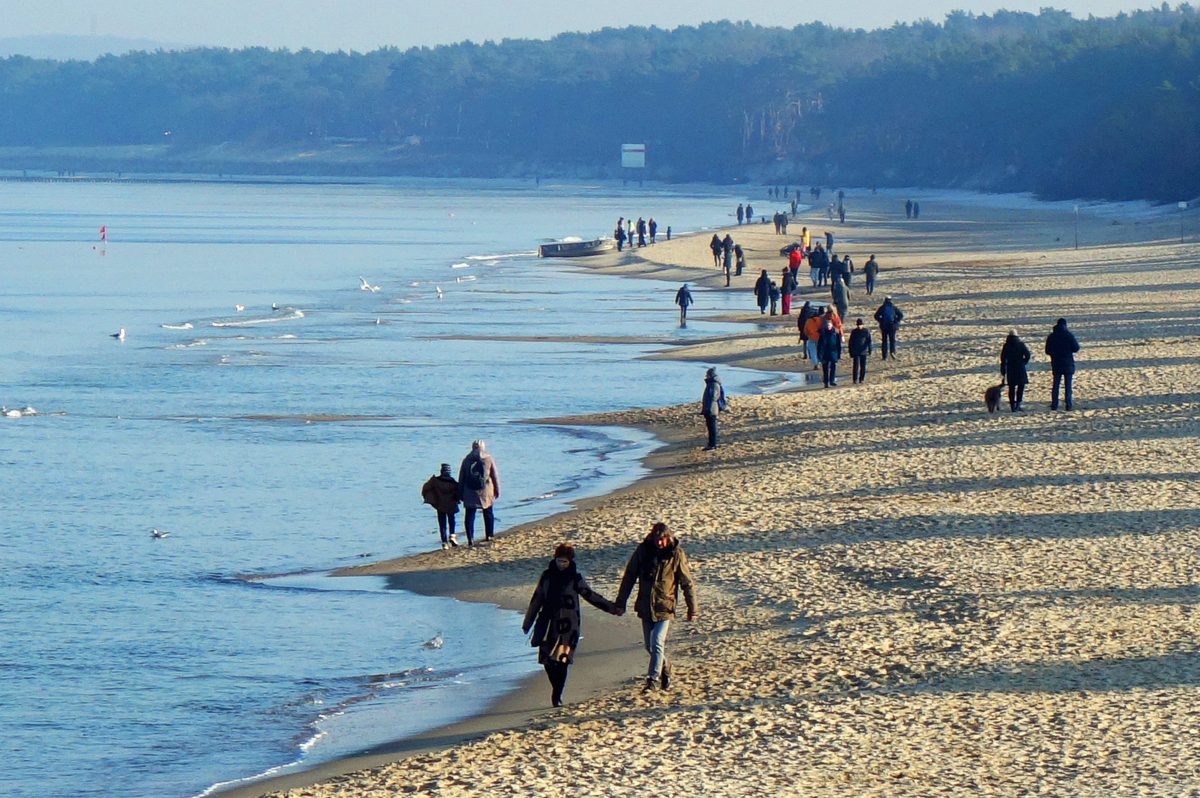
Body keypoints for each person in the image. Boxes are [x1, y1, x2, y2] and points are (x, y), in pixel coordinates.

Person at [522, 543, 621, 707]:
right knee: (547, 662)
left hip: (569, 627)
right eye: (559, 561)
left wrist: (612, 608)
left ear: (570, 561)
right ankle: (556, 689)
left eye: (565, 561)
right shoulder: (547, 576)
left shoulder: (575, 578)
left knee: (562, 661)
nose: (561, 564)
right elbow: (537, 599)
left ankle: (557, 695)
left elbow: (591, 596)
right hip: (548, 624)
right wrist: (528, 623)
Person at [615, 522, 698, 692]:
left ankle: (652, 680)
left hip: (665, 606)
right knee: (650, 647)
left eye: (662, 539)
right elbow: (629, 576)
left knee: (657, 642)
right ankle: (666, 668)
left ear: (668, 538)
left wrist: (692, 608)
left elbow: (687, 583)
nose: (659, 543)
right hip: (646, 606)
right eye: (656, 539)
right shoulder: (643, 551)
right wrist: (621, 602)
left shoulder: (676, 555)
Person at [458, 439, 500, 545]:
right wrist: (497, 489)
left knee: (469, 515)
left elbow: (462, 477)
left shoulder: (467, 459)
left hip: (469, 490)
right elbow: (494, 475)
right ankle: (489, 535)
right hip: (486, 490)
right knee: (488, 512)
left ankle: (470, 539)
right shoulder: (488, 458)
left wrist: (460, 492)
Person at [421, 463, 461, 550]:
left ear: (441, 471)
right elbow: (459, 493)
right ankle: (452, 535)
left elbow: (425, 488)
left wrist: (429, 497)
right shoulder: (453, 482)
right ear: (449, 472)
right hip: (451, 505)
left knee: (442, 524)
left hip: (440, 505)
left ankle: (444, 542)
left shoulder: (435, 481)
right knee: (452, 520)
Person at [1045, 318, 1080, 411]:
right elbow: (1076, 348)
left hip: (1056, 363)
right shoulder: (1069, 335)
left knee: (1056, 385)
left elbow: (1047, 350)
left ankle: (1054, 404)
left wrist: (1054, 353)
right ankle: (1068, 404)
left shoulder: (1052, 336)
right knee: (1068, 385)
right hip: (1068, 363)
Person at [999, 329, 1031, 412]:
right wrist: (1024, 362)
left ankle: (1012, 405)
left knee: (1011, 388)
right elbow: (1027, 355)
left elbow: (1002, 358)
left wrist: (1003, 369)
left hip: (1010, 367)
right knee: (1021, 386)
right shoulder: (1021, 344)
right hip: (1020, 367)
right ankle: (1018, 404)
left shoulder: (1006, 345)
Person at [700, 366, 727, 450]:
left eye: (707, 375)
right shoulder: (712, 383)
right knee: (711, 427)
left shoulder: (714, 384)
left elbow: (713, 397)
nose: (706, 376)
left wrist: (708, 408)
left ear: (710, 375)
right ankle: (712, 444)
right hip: (710, 408)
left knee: (712, 427)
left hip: (711, 409)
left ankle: (712, 445)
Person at [817, 318, 842, 387]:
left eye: (829, 325)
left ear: (832, 325)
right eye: (827, 325)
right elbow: (819, 346)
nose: (828, 326)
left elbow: (838, 345)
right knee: (825, 369)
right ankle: (826, 382)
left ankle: (832, 381)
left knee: (833, 367)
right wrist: (819, 355)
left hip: (833, 353)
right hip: (824, 353)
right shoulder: (822, 334)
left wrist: (839, 354)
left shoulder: (835, 334)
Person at [848, 318, 872, 384]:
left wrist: (870, 349)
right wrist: (850, 351)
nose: (859, 326)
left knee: (863, 366)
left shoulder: (866, 331)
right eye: (858, 325)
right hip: (856, 351)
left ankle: (861, 379)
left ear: (863, 325)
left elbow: (869, 341)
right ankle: (855, 379)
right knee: (856, 366)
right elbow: (850, 342)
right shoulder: (854, 332)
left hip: (863, 351)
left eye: (860, 325)